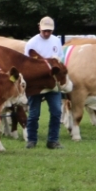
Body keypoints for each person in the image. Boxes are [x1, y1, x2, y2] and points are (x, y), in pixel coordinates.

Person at [24, 17, 64, 149]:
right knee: (34, 113)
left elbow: (60, 59)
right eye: (45, 30)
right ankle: (31, 140)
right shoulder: (31, 43)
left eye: (49, 31)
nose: (47, 33)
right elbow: (27, 63)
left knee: (56, 111)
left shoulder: (56, 41)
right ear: (39, 28)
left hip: (52, 82)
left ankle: (53, 140)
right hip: (36, 82)